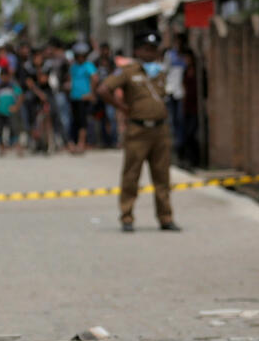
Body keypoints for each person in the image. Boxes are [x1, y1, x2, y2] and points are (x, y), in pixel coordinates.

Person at [97, 32, 180, 233]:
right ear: (138, 51)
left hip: (160, 130)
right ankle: (127, 216)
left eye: (153, 49)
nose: (150, 53)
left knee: (162, 176)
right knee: (131, 174)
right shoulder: (128, 71)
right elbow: (103, 90)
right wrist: (123, 108)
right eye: (146, 49)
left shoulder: (160, 72)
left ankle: (166, 217)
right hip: (138, 130)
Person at [68, 42, 97, 154]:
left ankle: (81, 144)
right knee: (74, 121)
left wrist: (91, 93)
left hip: (84, 98)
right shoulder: (73, 66)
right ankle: (73, 143)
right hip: (74, 96)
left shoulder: (88, 65)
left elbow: (95, 78)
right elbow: (71, 79)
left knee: (82, 121)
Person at [0, 67, 23, 156]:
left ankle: (18, 148)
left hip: (10, 112)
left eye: (6, 76)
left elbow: (20, 96)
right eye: (2, 76)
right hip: (0, 112)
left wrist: (16, 106)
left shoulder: (13, 86)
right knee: (0, 130)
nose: (4, 78)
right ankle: (2, 148)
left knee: (14, 130)